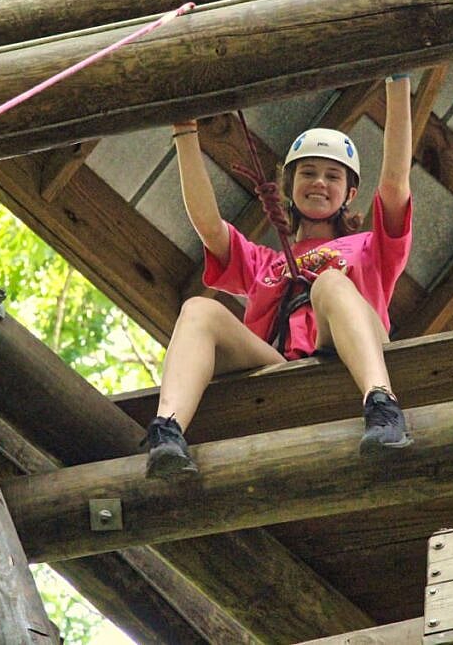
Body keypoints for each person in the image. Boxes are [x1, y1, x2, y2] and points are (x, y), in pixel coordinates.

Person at [143, 74, 414, 479]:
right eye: (307, 173)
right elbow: (208, 225)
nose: (319, 182)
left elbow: (393, 183)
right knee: (199, 308)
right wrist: (184, 130)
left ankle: (382, 403)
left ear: (350, 193)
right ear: (290, 185)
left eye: (333, 175)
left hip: (348, 349)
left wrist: (398, 80)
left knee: (330, 283)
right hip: (279, 363)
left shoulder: (371, 249)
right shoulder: (266, 263)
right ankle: (167, 431)